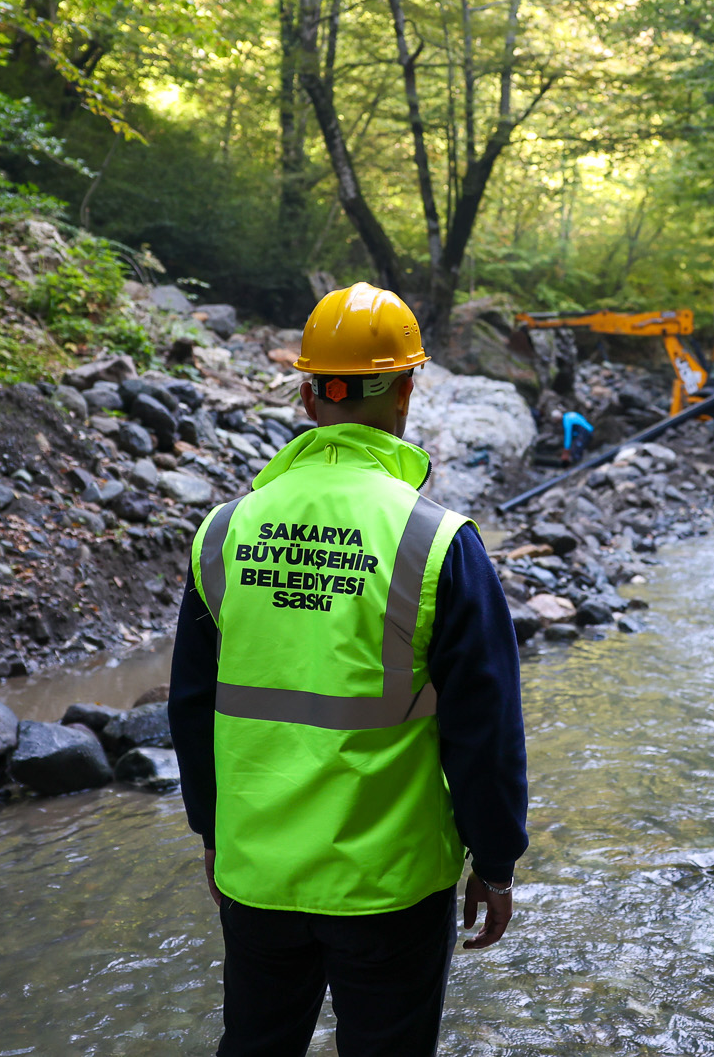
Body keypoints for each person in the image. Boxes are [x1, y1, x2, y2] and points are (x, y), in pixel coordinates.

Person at [168, 282, 528, 1057]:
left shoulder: (224, 532)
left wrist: (211, 831)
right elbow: (485, 726)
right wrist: (495, 862)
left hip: (257, 870)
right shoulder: (436, 541)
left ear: (306, 395)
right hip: (388, 885)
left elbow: (191, 707)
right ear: (405, 391)